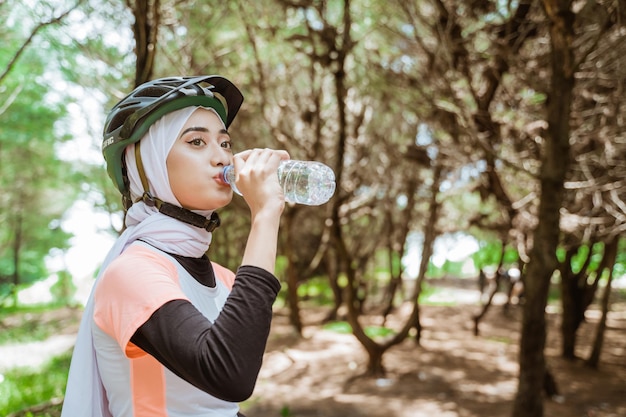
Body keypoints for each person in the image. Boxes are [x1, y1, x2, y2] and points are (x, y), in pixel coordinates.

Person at [61, 75, 289, 417]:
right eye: (196, 142)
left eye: (225, 143)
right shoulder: (132, 273)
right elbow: (230, 376)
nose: (222, 158)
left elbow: (220, 407)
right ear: (148, 163)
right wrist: (266, 215)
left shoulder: (224, 279)